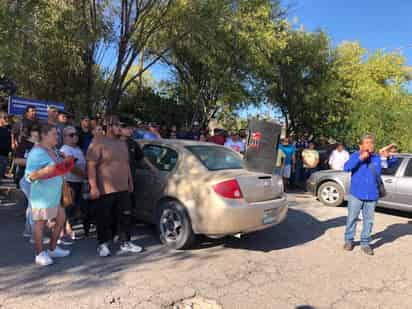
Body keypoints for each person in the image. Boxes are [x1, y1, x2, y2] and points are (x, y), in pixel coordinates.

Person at [87, 115, 143, 257]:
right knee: (105, 218)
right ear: (108, 126)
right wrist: (93, 186)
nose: (120, 128)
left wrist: (130, 182)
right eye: (117, 125)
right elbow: (91, 165)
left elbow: (126, 164)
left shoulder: (122, 143)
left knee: (125, 216)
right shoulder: (98, 141)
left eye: (121, 125)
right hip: (105, 188)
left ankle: (125, 242)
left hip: (123, 188)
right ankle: (103, 244)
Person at [25, 124, 74, 266]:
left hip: (55, 193)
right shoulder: (36, 152)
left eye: (57, 134)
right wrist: (44, 172)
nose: (57, 137)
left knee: (61, 219)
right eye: (54, 134)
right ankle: (39, 254)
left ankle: (52, 248)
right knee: (39, 224)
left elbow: (58, 168)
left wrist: (66, 162)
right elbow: (29, 176)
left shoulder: (54, 150)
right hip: (41, 195)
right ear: (44, 135)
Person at [343, 134, 397, 256]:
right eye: (367, 142)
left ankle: (365, 243)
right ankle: (349, 240)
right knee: (352, 219)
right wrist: (360, 158)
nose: (370, 145)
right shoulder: (355, 156)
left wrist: (390, 155)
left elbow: (390, 164)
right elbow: (346, 168)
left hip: (372, 195)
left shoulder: (377, 158)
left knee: (368, 221)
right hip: (356, 194)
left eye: (371, 143)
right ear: (361, 145)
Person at [60, 126, 87, 243]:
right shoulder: (65, 149)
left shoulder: (77, 149)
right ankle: (65, 232)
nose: (75, 137)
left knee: (74, 206)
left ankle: (68, 229)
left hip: (78, 181)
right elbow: (71, 167)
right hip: (68, 181)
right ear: (65, 137)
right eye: (71, 135)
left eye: (76, 134)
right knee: (67, 207)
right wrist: (85, 175)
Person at [15, 125, 40, 240]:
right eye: (35, 134)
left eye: (38, 134)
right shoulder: (24, 144)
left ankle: (28, 231)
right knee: (34, 205)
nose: (37, 136)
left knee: (31, 206)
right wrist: (32, 161)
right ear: (30, 134)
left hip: (38, 179)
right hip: (26, 178)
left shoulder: (41, 145)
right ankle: (34, 235)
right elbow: (16, 160)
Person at [0, 112, 11, 181]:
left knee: (2, 170)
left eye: (7, 118)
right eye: (4, 118)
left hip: (5, 154)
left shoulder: (8, 128)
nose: (6, 119)